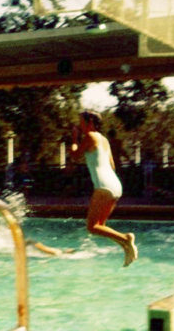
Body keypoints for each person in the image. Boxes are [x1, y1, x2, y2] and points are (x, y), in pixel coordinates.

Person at [70, 110, 138, 267]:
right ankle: (126, 247)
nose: (80, 125)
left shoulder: (90, 136)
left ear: (90, 122)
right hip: (115, 184)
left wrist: (74, 139)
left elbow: (75, 156)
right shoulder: (104, 140)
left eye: (81, 122)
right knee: (100, 226)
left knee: (92, 227)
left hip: (103, 185)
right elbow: (112, 165)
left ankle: (126, 238)